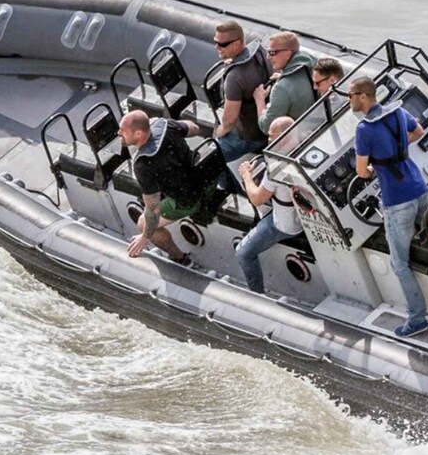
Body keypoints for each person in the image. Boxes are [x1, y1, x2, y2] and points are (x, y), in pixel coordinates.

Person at [350, 77, 428, 337]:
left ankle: (418, 320)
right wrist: (397, 149)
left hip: (397, 200)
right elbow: (419, 132)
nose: (348, 100)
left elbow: (362, 171)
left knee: (399, 263)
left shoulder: (364, 129)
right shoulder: (399, 111)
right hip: (420, 187)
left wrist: (375, 166)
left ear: (363, 96)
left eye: (350, 95)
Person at [119, 110, 217, 265]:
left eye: (123, 131)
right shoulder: (166, 125)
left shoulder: (142, 164)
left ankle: (180, 258)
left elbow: (153, 208)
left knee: (144, 223)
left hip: (189, 199)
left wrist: (145, 237)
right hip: (207, 180)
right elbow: (194, 128)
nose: (119, 133)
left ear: (138, 133)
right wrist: (161, 122)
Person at [234, 116, 302, 294]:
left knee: (243, 253)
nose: (269, 140)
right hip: (305, 213)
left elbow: (257, 198)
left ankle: (257, 294)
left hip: (287, 224)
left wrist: (246, 175)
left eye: (272, 136)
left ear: (284, 136)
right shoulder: (306, 144)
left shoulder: (276, 166)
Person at [213, 20, 272, 161]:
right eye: (216, 42)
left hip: (250, 136)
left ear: (236, 44)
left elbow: (229, 121)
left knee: (214, 156)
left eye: (222, 44)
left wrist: (218, 132)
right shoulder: (260, 52)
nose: (217, 47)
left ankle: (225, 181)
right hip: (264, 124)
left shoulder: (235, 77)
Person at [254, 31, 316, 134]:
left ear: (287, 54)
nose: (268, 57)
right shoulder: (310, 67)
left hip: (295, 138)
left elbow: (267, 127)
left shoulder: (281, 88)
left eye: (272, 53)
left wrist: (259, 100)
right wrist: (282, 76)